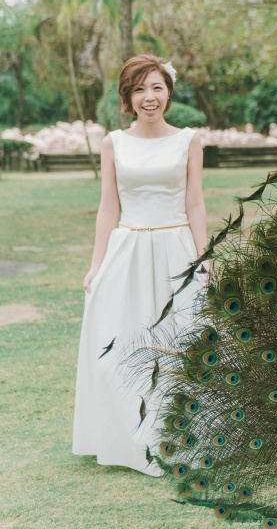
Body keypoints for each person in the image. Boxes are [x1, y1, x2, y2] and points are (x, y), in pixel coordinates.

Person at [72, 55, 207, 475]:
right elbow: (107, 208)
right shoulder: (114, 142)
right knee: (119, 342)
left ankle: (179, 434)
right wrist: (97, 265)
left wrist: (204, 258)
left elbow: (195, 202)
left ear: (168, 92)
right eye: (139, 89)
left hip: (176, 250)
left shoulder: (189, 140)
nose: (149, 97)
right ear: (128, 98)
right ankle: (128, 436)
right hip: (127, 251)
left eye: (157, 88)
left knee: (180, 341)